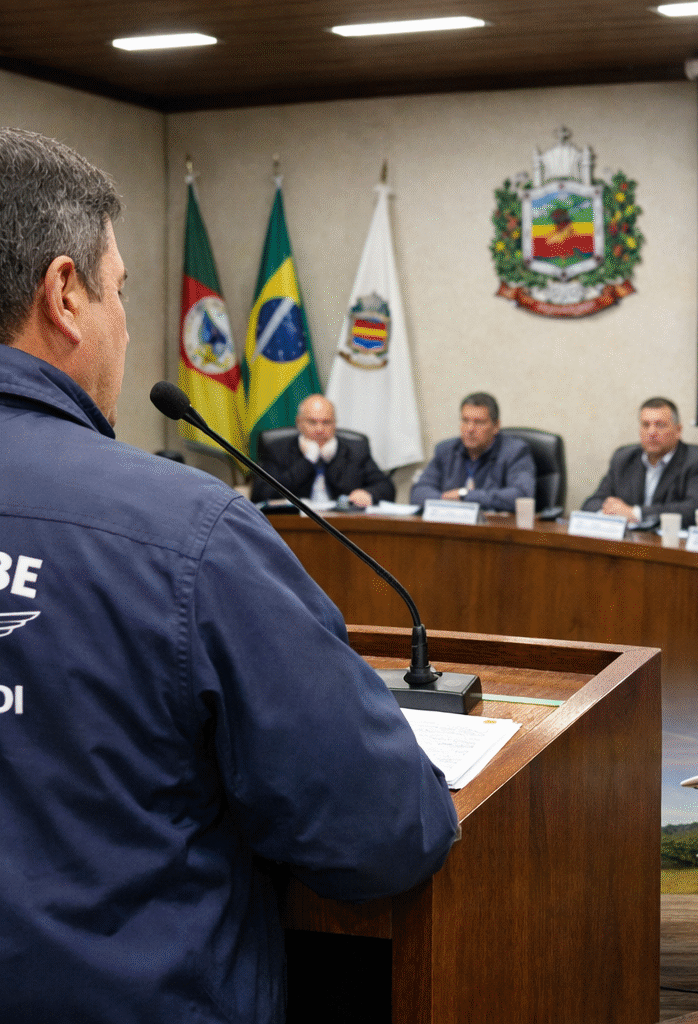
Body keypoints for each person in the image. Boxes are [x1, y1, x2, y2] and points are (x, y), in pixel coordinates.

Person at [0, 128, 458, 1022]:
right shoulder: (188, 534)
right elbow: (381, 833)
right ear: (66, 295)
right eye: (122, 291)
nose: (128, 324)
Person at [581, 397, 698, 528]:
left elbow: (695, 510)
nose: (652, 432)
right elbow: (591, 504)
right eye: (645, 425)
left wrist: (635, 513)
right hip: (629, 543)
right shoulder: (623, 458)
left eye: (660, 425)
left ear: (678, 430)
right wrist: (611, 512)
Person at [250, 393, 395, 506]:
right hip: (297, 526)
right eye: (312, 422)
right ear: (299, 423)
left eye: (326, 422)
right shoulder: (277, 449)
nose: (320, 429)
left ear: (335, 424)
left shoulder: (355, 449)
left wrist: (368, 494)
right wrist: (307, 461)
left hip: (343, 526)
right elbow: (261, 494)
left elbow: (387, 487)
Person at [410, 391, 535, 511]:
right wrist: (444, 499)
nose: (470, 429)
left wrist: (464, 495)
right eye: (465, 420)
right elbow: (418, 492)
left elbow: (521, 495)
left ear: (496, 426)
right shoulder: (446, 450)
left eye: (479, 422)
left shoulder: (515, 452)